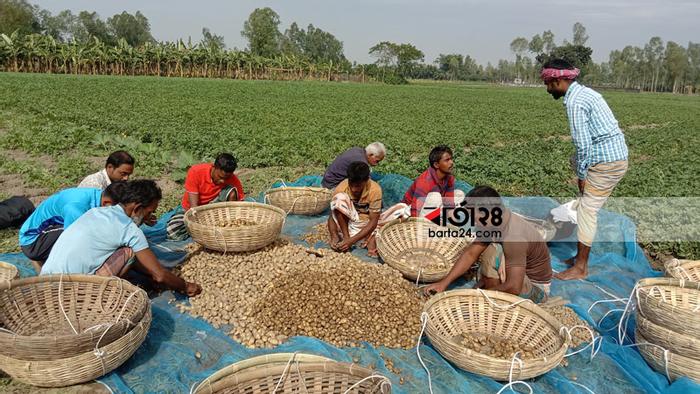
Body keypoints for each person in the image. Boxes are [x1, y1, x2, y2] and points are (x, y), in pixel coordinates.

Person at [541, 59, 629, 280]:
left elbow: (583, 145)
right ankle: (580, 255)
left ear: (558, 80)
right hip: (614, 155)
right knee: (585, 198)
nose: (547, 88)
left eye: (548, 83)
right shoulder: (585, 93)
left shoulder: (575, 103)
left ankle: (580, 267)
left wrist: (582, 177)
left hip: (606, 163)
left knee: (587, 211)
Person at [41, 180, 201, 297]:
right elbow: (160, 274)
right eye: (149, 212)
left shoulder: (96, 211)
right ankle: (103, 296)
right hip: (71, 292)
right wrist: (185, 286)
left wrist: (149, 274)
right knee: (130, 252)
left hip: (46, 282)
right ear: (137, 208)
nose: (150, 217)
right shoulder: (129, 230)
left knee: (126, 251)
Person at [423, 186, 552, 303]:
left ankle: (490, 299)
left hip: (535, 288)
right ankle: (490, 290)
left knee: (493, 254)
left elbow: (514, 287)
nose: (473, 223)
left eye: (474, 217)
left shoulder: (514, 237)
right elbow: (470, 253)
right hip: (517, 272)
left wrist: (474, 297)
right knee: (489, 251)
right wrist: (443, 284)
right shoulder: (492, 222)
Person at [19, 183, 125, 273]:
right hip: (32, 241)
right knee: (84, 241)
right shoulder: (76, 209)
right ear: (107, 203)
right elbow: (74, 241)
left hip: (52, 227)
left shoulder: (99, 195)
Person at [328, 161, 408, 257]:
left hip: (369, 224)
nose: (353, 189)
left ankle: (366, 238)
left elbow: (373, 222)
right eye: (351, 185)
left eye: (357, 186)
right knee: (339, 198)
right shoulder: (342, 187)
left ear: (367, 181)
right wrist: (335, 235)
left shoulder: (374, 190)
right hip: (349, 224)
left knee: (403, 209)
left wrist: (351, 241)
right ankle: (350, 237)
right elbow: (332, 216)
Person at [166, 153, 245, 240]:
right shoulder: (196, 171)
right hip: (193, 210)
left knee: (232, 191)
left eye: (226, 178)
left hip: (214, 209)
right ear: (214, 167)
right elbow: (193, 207)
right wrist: (200, 225)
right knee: (172, 230)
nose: (223, 181)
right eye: (220, 177)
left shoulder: (232, 179)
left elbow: (239, 205)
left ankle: (218, 227)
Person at [402, 145, 465, 218]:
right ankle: (429, 221)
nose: (451, 162)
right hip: (411, 211)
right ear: (436, 165)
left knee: (459, 194)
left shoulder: (449, 178)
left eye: (451, 159)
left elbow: (449, 204)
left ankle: (439, 216)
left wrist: (455, 223)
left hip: (432, 207)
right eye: (447, 160)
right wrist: (415, 225)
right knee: (436, 196)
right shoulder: (425, 181)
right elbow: (415, 208)